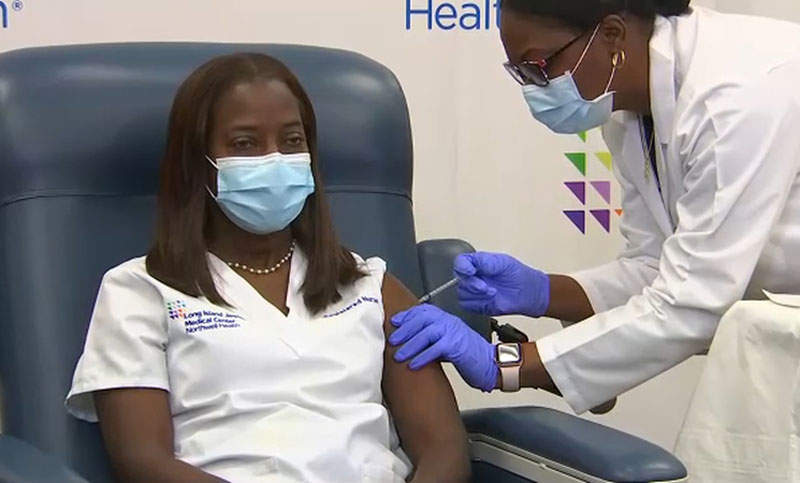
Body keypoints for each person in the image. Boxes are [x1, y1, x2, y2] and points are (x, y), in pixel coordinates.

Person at [65, 53, 470, 483]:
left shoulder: (368, 285)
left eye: (292, 141)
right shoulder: (139, 291)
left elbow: (443, 448)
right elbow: (143, 462)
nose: (275, 159)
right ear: (197, 162)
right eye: (245, 144)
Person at [391, 0, 800, 419]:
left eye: (538, 66)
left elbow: (693, 302)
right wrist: (544, 292)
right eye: (521, 73)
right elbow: (654, 267)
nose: (533, 89)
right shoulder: (627, 114)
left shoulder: (733, 100)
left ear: (612, 34)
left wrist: (506, 365)